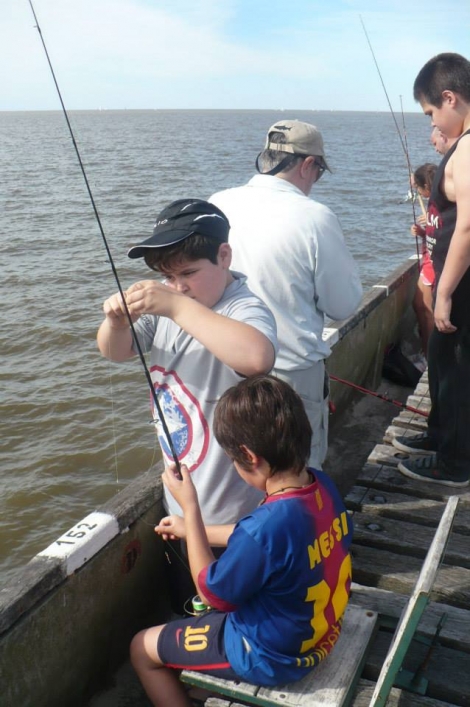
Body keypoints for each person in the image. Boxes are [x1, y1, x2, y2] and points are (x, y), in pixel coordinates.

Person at [130, 374, 353, 707]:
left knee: (141, 647)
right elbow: (263, 540)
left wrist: (190, 508)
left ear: (250, 456)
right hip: (320, 635)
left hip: (273, 657)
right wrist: (194, 531)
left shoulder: (263, 529)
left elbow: (210, 592)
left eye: (233, 460)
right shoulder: (321, 487)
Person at [97, 198, 278, 606]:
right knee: (192, 603)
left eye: (189, 274)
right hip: (181, 507)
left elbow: (257, 357)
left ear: (224, 255)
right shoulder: (166, 311)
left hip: (235, 516)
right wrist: (116, 321)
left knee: (232, 608)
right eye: (167, 276)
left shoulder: (241, 307)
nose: (177, 286)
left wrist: (176, 306)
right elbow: (115, 351)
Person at [210, 120, 363, 470]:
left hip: (226, 370)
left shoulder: (218, 203)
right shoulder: (315, 217)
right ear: (308, 165)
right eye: (319, 171)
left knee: (239, 470)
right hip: (291, 377)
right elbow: (343, 305)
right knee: (298, 473)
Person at [393, 53, 470, 487]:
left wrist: (443, 292)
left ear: (449, 97)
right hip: (455, 281)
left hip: (461, 285)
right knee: (442, 362)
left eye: (431, 112)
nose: (433, 124)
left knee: (457, 368)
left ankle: (456, 464)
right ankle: (442, 438)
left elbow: (469, 225)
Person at [410, 163, 438, 357]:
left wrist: (428, 222)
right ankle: (427, 348)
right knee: (419, 305)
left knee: (426, 310)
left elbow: (443, 234)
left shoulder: (439, 207)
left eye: (419, 188)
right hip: (429, 261)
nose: (417, 191)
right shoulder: (434, 202)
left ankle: (430, 354)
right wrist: (422, 232)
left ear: (427, 188)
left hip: (434, 264)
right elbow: (433, 235)